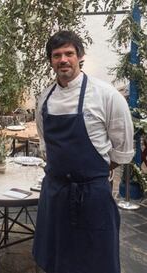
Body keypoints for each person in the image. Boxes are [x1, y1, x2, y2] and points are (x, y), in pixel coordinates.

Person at [33, 30, 134, 273]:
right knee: (56, 257)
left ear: (80, 57)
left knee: (95, 257)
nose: (63, 60)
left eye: (69, 53)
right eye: (57, 55)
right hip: (55, 191)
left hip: (92, 193)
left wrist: (94, 172)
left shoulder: (106, 95)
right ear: (51, 61)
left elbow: (122, 147)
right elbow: (45, 140)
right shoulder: (44, 98)